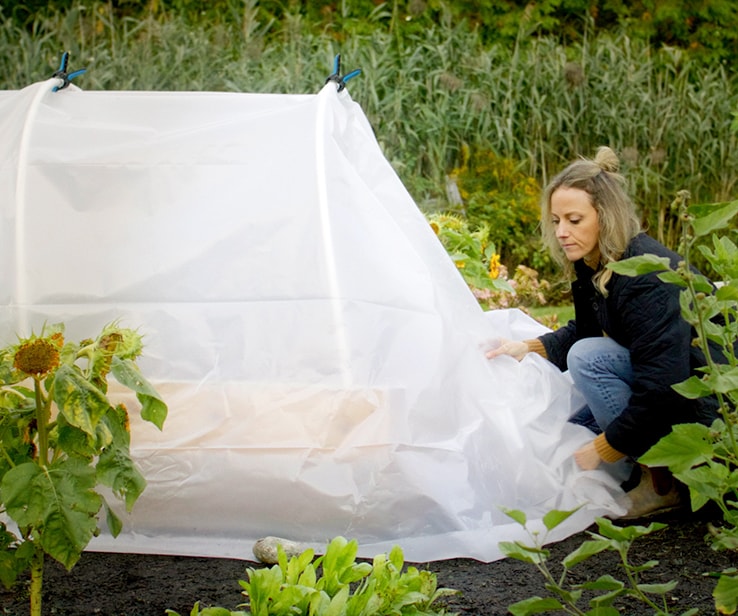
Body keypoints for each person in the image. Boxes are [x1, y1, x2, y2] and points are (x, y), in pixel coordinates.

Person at [487, 146, 720, 518]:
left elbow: (663, 385)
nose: (562, 232)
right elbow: (586, 329)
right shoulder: (596, 265)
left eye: (574, 220)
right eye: (556, 220)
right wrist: (527, 347)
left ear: (605, 217)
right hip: (672, 385)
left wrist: (606, 446)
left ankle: (662, 481)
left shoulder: (646, 277)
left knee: (589, 361)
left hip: (710, 404)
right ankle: (637, 465)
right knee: (562, 429)